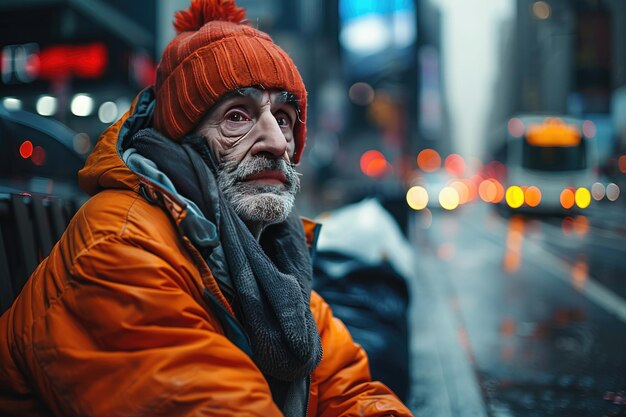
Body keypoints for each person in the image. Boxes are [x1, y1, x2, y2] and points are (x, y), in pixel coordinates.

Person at [0, 1, 413, 416]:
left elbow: (350, 391)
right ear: (183, 142)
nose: (275, 141)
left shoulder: (275, 257)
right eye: (237, 116)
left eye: (285, 118)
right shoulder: (121, 244)